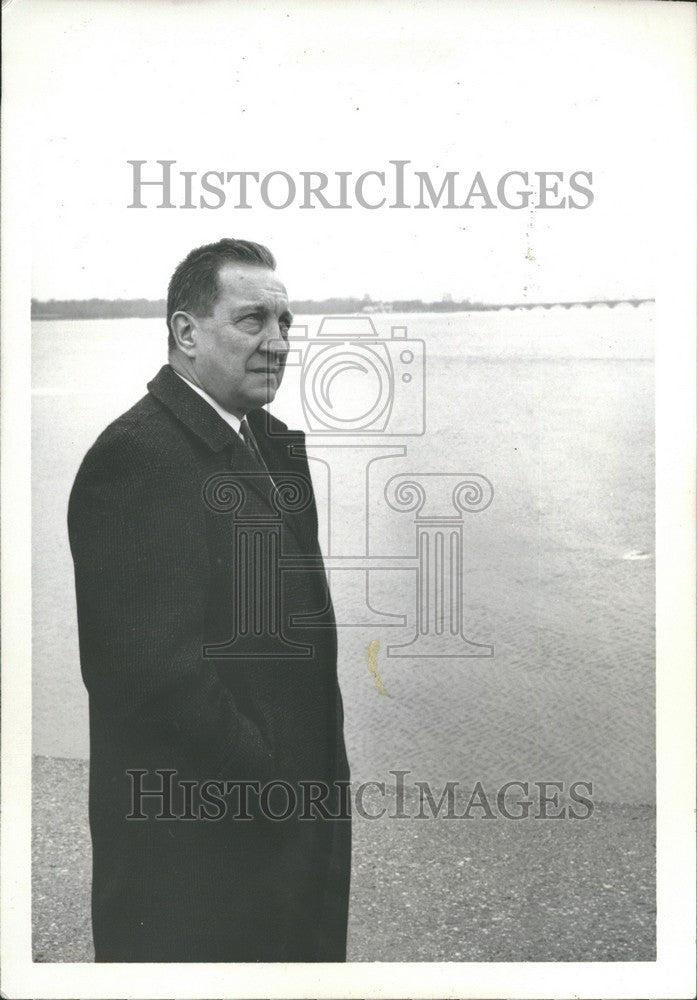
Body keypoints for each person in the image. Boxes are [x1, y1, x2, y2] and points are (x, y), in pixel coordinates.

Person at [68, 238, 351, 962]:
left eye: (286, 323)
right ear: (186, 333)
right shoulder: (138, 455)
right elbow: (150, 675)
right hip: (199, 851)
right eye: (253, 321)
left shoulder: (271, 442)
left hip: (287, 834)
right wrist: (271, 782)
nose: (278, 342)